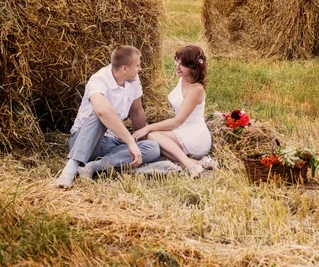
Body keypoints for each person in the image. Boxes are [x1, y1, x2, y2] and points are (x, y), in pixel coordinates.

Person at [52, 45, 160, 189]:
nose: (140, 69)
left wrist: (140, 139)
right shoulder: (98, 80)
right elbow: (103, 111)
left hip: (111, 142)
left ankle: (92, 167)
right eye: (138, 66)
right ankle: (69, 171)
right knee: (102, 114)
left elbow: (136, 111)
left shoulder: (133, 80)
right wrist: (130, 142)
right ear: (124, 68)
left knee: (152, 148)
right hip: (86, 141)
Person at [133, 44, 215, 178]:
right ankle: (199, 162)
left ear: (193, 68)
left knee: (151, 136)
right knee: (152, 150)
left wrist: (147, 128)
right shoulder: (182, 79)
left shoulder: (196, 89)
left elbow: (178, 121)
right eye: (177, 61)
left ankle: (191, 166)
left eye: (182, 64)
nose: (177, 66)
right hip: (182, 131)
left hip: (196, 136)